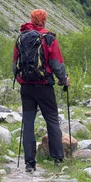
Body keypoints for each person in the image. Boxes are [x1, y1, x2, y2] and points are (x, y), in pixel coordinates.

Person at [13, 9, 70, 171]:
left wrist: (21, 80)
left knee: (28, 123)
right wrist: (64, 80)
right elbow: (57, 64)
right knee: (52, 120)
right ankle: (58, 159)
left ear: (31, 19)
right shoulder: (49, 38)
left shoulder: (21, 38)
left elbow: (14, 65)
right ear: (44, 21)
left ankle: (29, 163)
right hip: (44, 86)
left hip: (26, 87)